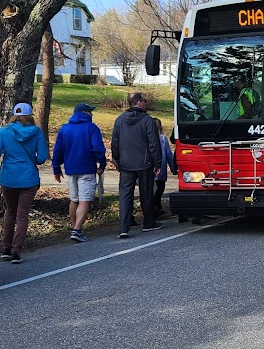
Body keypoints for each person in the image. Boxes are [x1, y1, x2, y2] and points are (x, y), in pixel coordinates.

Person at [0, 102, 49, 264]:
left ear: (13, 115)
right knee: (22, 215)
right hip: (29, 178)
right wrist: (33, 158)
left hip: (9, 179)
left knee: (10, 212)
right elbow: (42, 158)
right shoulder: (36, 132)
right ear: (30, 115)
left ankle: (6, 249)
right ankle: (17, 252)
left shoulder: (4, 132)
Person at [52, 102, 107, 243]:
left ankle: (75, 227)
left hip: (70, 169)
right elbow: (98, 149)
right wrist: (101, 163)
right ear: (84, 112)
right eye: (90, 111)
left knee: (74, 199)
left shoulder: (65, 129)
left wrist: (56, 168)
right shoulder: (91, 128)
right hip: (87, 168)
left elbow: (58, 150)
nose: (92, 114)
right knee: (84, 200)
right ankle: (77, 230)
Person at [111, 92, 162, 236]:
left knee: (125, 195)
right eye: (145, 101)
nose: (146, 103)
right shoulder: (147, 120)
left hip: (126, 163)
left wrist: (117, 159)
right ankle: (148, 222)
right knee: (146, 193)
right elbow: (154, 143)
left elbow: (115, 142)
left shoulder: (120, 120)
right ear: (139, 102)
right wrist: (157, 162)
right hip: (144, 162)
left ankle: (124, 227)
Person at [152, 118, 178, 218]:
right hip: (160, 169)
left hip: (150, 169)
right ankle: (157, 207)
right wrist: (173, 167)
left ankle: (156, 207)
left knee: (153, 190)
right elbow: (168, 154)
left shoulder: (146, 138)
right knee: (159, 189)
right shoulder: (162, 138)